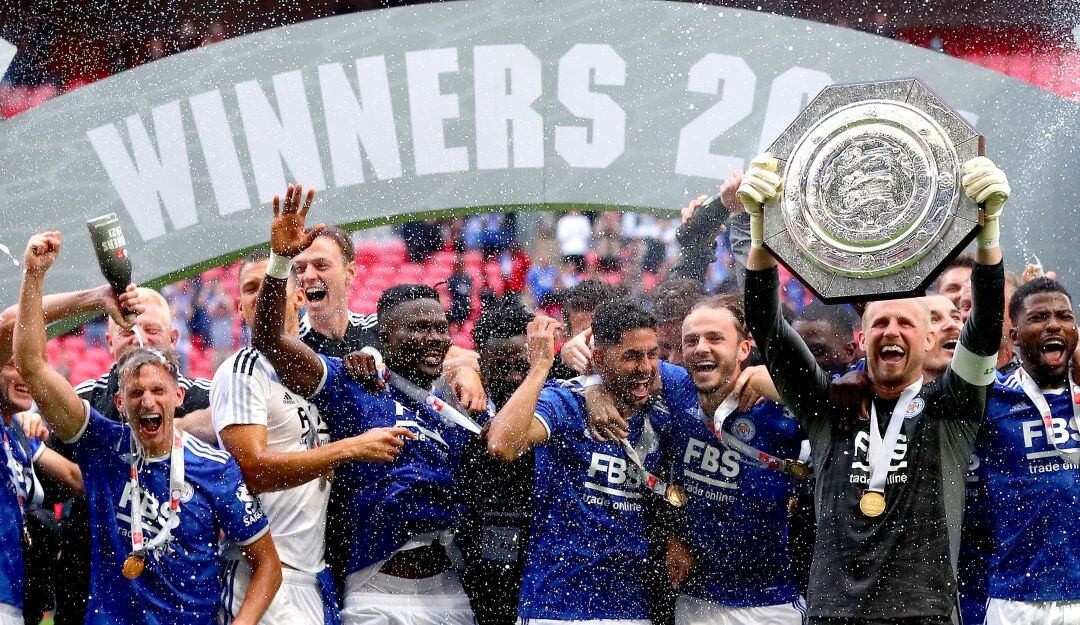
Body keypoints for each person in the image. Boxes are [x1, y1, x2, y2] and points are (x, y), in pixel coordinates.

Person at [740, 153, 1008, 624]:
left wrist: (989, 233)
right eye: (880, 321)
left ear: (928, 339)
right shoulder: (826, 405)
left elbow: (984, 330)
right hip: (833, 612)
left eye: (905, 322)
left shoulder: (952, 408)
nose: (892, 330)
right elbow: (769, 329)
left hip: (923, 613)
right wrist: (762, 237)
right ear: (862, 339)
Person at [13, 231, 281, 625]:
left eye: (158, 390)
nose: (148, 401)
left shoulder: (214, 467)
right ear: (120, 403)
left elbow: (268, 566)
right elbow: (32, 364)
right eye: (136, 392)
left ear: (179, 394)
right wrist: (34, 276)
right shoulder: (103, 443)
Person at [252, 185, 479, 625]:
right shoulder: (349, 381)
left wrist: (466, 370)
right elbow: (269, 342)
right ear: (385, 338)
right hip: (367, 583)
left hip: (448, 588)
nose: (433, 338)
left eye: (439, 329)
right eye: (303, 268)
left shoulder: (450, 409)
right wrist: (279, 262)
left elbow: (473, 358)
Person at [212, 250, 412, 625]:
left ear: (298, 297)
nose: (259, 296)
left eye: (268, 286)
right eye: (250, 289)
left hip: (311, 575)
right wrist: (349, 449)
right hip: (258, 572)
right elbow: (251, 470)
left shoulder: (315, 375)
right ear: (240, 307)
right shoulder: (242, 369)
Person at [487, 299, 691, 624]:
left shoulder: (664, 405)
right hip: (557, 607)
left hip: (631, 609)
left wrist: (674, 535)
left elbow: (725, 383)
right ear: (598, 360)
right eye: (631, 356)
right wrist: (541, 366)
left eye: (652, 354)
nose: (646, 366)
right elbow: (502, 445)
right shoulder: (567, 401)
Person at [664, 296, 807, 625]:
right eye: (691, 340)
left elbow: (838, 401)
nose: (701, 348)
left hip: (771, 602)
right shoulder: (674, 388)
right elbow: (617, 361)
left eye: (715, 338)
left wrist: (782, 386)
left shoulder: (777, 409)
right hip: (696, 599)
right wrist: (593, 388)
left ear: (743, 349)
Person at [974, 277, 1080, 624]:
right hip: (1015, 597)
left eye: (1065, 316)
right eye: (1039, 317)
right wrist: (856, 374)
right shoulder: (992, 399)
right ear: (1014, 336)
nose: (1054, 324)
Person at [458, 303, 535, 625]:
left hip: (535, 557)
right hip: (474, 563)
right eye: (501, 368)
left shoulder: (551, 408)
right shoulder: (460, 411)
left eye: (522, 367)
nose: (514, 377)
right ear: (482, 365)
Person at [0, 365, 83, 625]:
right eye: (13, 364)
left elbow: (74, 478)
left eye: (28, 363)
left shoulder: (17, 432)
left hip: (14, 594)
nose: (25, 373)